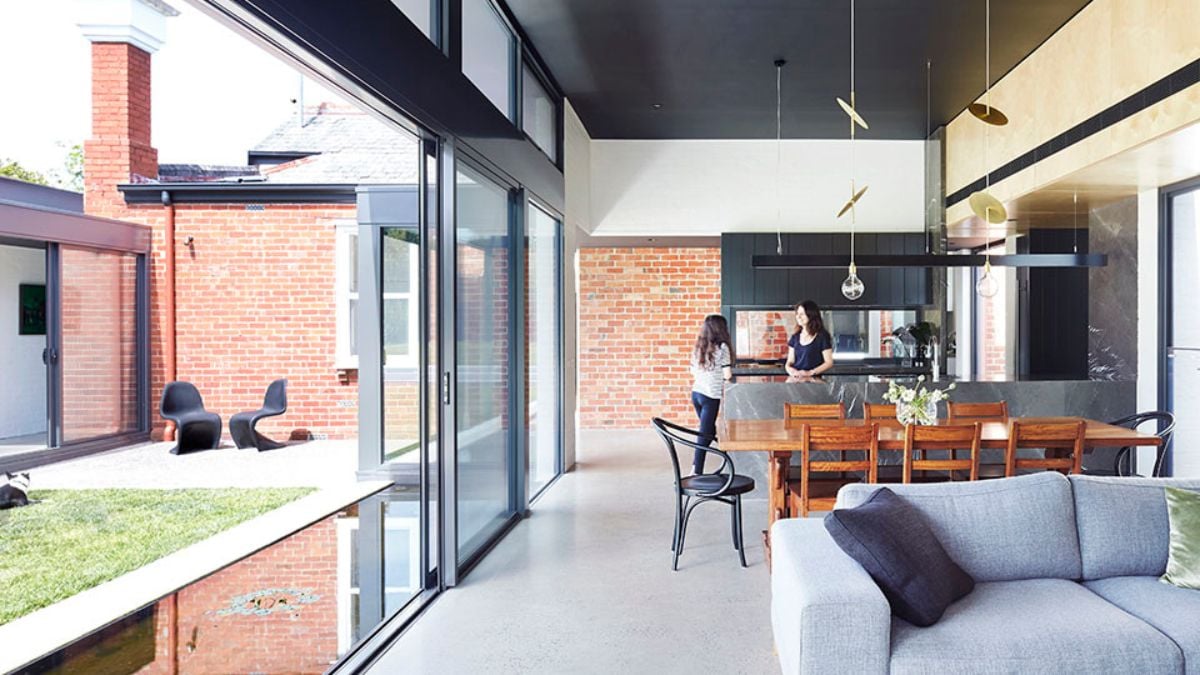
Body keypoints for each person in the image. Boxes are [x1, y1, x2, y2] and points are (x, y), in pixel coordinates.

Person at [690, 314, 732, 474]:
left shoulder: (698, 347)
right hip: (710, 396)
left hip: (696, 394)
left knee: (709, 432)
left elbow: (692, 371)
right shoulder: (723, 348)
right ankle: (696, 470)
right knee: (704, 434)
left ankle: (719, 461)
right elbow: (727, 375)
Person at [786, 300, 834, 380]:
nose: (798, 317)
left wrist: (810, 373)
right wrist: (791, 370)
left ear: (811, 315)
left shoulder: (822, 336)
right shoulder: (795, 337)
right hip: (796, 381)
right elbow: (790, 361)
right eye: (797, 314)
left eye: (802, 314)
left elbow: (829, 362)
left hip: (815, 382)